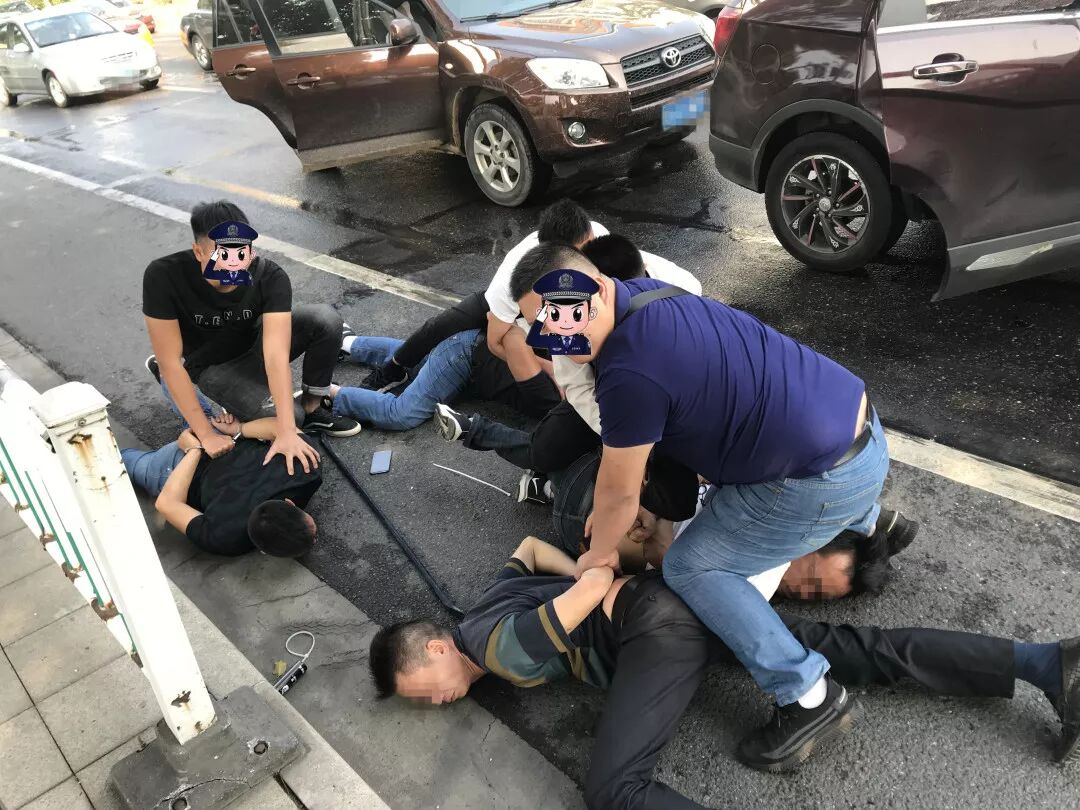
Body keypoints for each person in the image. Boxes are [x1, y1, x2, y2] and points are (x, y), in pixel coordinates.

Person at [507, 243, 889, 771]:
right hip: (862, 430)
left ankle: (808, 695)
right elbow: (656, 452)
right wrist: (640, 510)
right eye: (537, 324)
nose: (550, 338)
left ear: (594, 291)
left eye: (555, 316)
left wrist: (596, 559)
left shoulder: (629, 373)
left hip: (819, 480)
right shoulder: (648, 296)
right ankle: (869, 521)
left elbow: (617, 492)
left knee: (693, 567)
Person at [370, 536, 1080, 809]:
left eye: (421, 694)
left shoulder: (495, 649)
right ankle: (1045, 662)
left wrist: (595, 583)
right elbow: (529, 548)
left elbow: (577, 602)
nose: (435, 704)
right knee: (857, 648)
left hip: (655, 629)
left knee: (614, 790)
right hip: (695, 601)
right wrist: (583, 575)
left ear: (432, 651)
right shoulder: (481, 611)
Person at [435, 236, 701, 504]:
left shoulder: (676, 306)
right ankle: (485, 438)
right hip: (598, 400)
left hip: (650, 408)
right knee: (547, 450)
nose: (550, 333)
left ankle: (549, 484)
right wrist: (618, 436)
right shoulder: (568, 325)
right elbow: (577, 387)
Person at [141, 200, 359, 476]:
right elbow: (172, 362)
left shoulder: (268, 275)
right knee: (290, 418)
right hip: (213, 366)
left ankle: (312, 407)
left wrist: (287, 431)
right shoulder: (164, 276)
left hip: (257, 347)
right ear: (198, 251)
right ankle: (168, 380)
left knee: (324, 319)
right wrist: (207, 435)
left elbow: (276, 356)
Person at [121, 415, 320, 557]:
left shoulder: (308, 470)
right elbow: (167, 504)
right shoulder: (226, 538)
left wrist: (199, 447)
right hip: (196, 451)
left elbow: (280, 428)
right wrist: (233, 431)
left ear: (290, 504)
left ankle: (171, 377)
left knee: (187, 396)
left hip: (201, 451)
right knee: (121, 461)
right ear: (263, 551)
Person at [328, 325, 560, 431]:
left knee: (418, 361)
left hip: (470, 353)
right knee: (401, 414)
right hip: (465, 355)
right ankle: (326, 392)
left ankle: (345, 340)